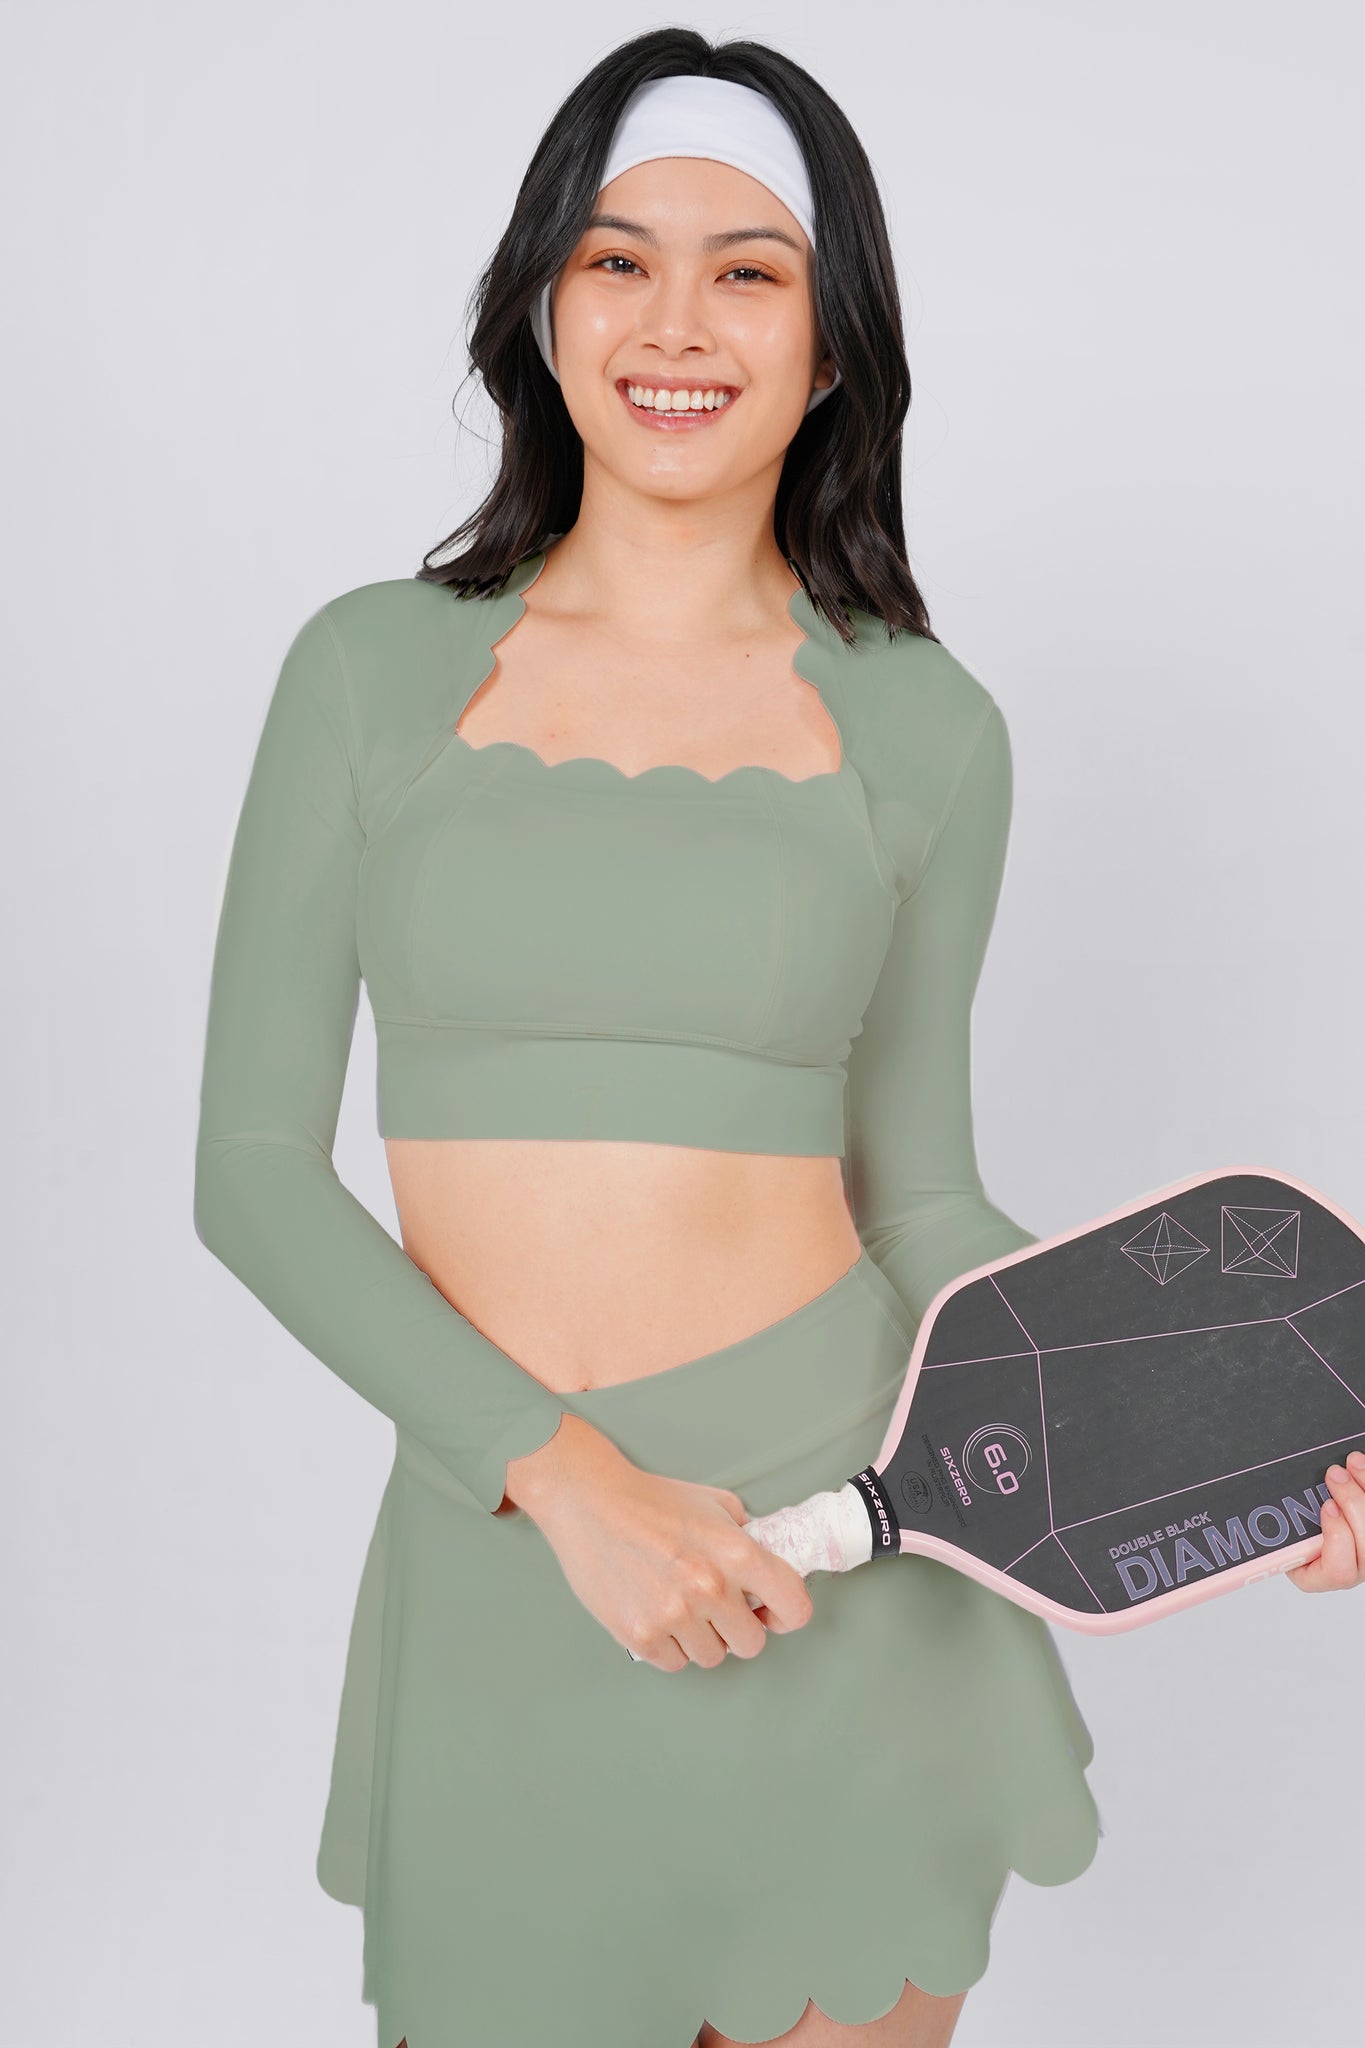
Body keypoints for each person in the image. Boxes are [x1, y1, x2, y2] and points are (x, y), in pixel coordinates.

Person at [193, 30, 1110, 2048]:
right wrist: (571, 1483)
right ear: (541, 307)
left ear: (833, 343)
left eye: (747, 271)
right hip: (514, 1546)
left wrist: (1205, 1424)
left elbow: (920, 1196)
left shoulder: (925, 727)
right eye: (616, 261)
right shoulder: (366, 673)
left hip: (842, 1550)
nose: (673, 323)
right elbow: (249, 1176)